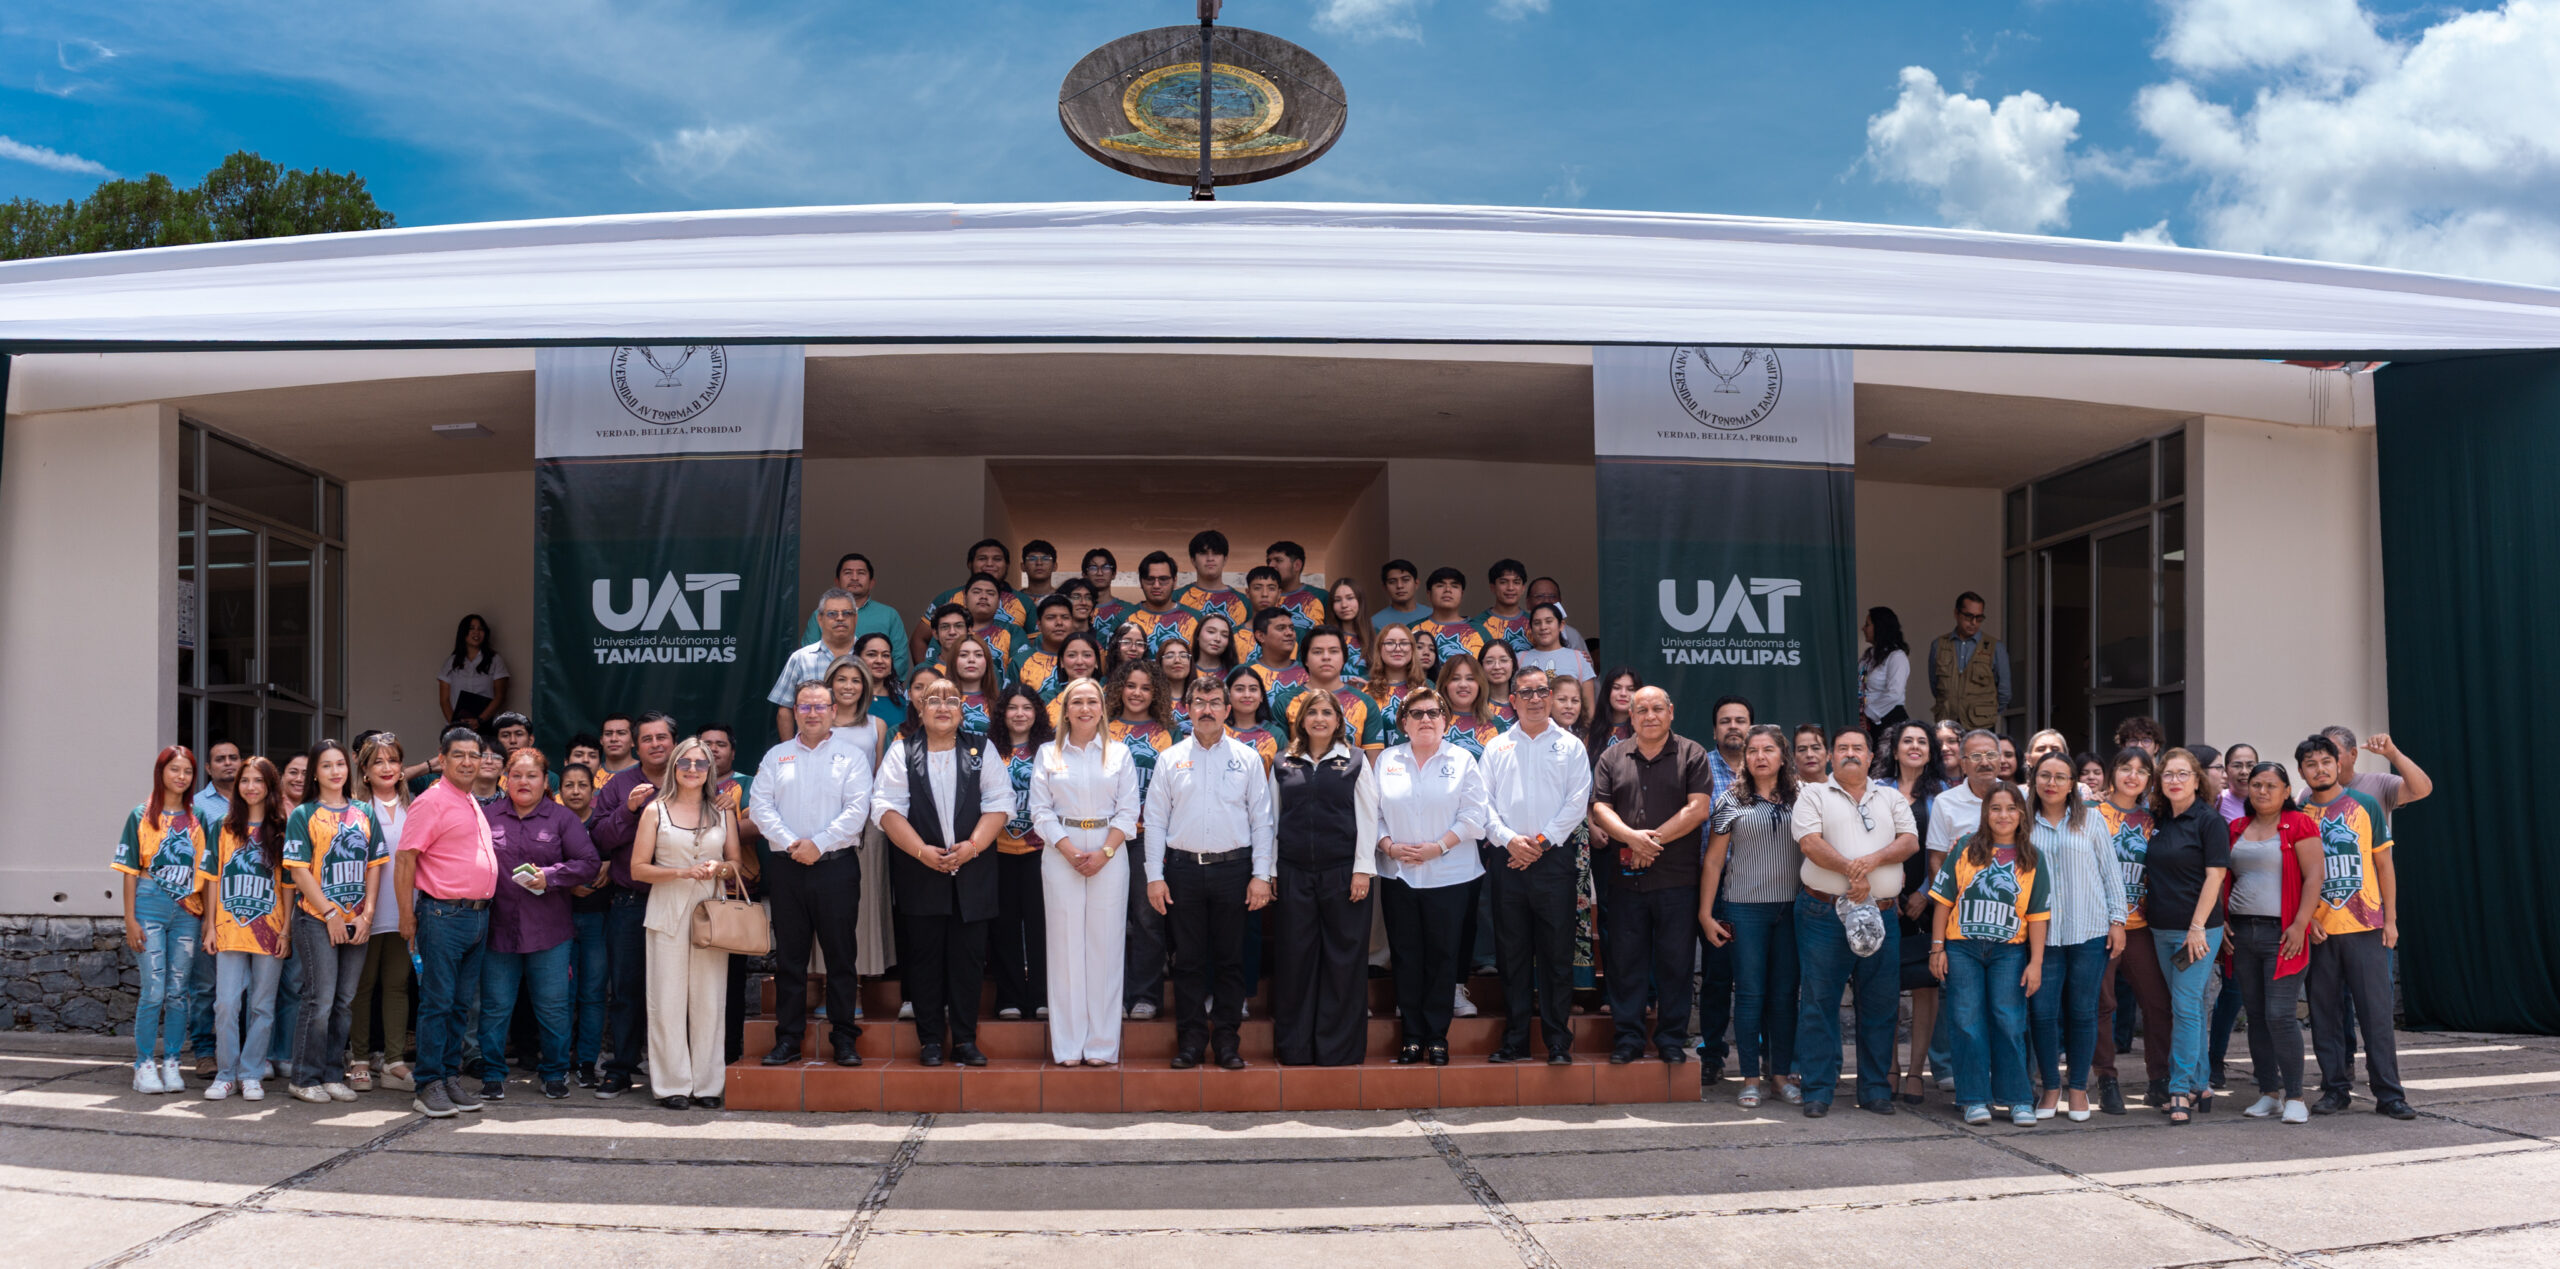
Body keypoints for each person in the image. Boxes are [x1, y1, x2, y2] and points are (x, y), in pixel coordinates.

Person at [1139, 675, 1276, 1070]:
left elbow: (1262, 822)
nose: (1207, 710)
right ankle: (1192, 1042)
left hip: (1234, 871)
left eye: (1215, 702)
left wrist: (1261, 875)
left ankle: (1229, 1044)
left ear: (1227, 710)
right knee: (1189, 962)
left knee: (1232, 960)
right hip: (1182, 871)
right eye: (1200, 702)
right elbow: (1156, 821)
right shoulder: (1171, 758)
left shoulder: (1247, 759)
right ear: (1188, 709)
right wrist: (1154, 876)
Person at [876, 678, 1012, 1067]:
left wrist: (971, 848)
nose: (941, 706)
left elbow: (1000, 802)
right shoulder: (903, 751)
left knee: (968, 960)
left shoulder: (980, 749)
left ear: (961, 708)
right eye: (932, 699)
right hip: (920, 871)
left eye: (950, 699)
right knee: (924, 959)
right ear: (919, 707)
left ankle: (966, 1041)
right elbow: (885, 808)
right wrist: (921, 852)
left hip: (974, 871)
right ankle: (931, 1040)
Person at [1790, 725, 1921, 1117]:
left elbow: (1910, 841)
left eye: (1857, 748)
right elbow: (1810, 843)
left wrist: (1869, 864)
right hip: (1823, 914)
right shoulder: (1813, 794)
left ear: (1870, 757)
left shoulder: (1891, 796)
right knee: (1818, 1003)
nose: (1850, 753)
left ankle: (1876, 1090)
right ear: (1831, 757)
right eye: (1842, 748)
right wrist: (1854, 872)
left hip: (1881, 913)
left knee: (1881, 1005)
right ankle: (1817, 1091)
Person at [748, 682, 874, 1068]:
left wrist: (818, 843)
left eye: (820, 706)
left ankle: (844, 1038)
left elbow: (857, 809)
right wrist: (792, 844)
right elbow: (760, 807)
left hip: (836, 867)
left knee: (840, 956)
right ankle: (788, 1039)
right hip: (787, 868)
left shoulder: (851, 756)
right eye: (805, 706)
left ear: (834, 711)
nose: (813, 713)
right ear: (796, 712)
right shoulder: (777, 756)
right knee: (790, 958)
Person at [1591, 687, 1716, 1065]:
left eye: (1657, 708)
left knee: (1676, 964)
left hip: (1677, 882)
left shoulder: (1692, 754)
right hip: (1626, 881)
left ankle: (1671, 1040)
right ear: (1631, 715)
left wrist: (1650, 843)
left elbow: (1698, 809)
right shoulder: (1612, 757)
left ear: (1671, 712)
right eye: (1641, 709)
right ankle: (1628, 1038)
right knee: (1626, 962)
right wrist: (1630, 838)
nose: (1649, 716)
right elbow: (1600, 807)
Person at [2295, 734, 2413, 1120]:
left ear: (2339, 763)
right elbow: (2294, 877)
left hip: (2366, 927)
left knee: (2376, 1015)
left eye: (2326, 761)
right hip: (2320, 932)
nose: (2320, 769)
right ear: (2302, 771)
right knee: (2324, 1015)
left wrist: (2391, 920)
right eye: (2311, 764)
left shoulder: (2365, 805)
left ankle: (2389, 1093)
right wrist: (2307, 919)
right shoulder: (2298, 813)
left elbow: (2385, 866)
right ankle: (2334, 1089)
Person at [1480, 666, 1591, 1066]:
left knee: (1555, 954)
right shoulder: (1496, 747)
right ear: (1512, 700)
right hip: (1507, 859)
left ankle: (1557, 1042)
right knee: (1511, 954)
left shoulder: (1571, 746)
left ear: (1549, 696)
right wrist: (1511, 840)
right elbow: (1483, 805)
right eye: (1525, 692)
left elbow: (1577, 803)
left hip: (1553, 860)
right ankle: (1515, 1041)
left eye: (1541, 691)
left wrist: (1539, 843)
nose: (1534, 699)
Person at [474, 747, 598, 1101]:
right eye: (516, 775)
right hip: (498, 930)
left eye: (532, 776)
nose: (523, 782)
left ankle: (555, 1072)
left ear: (546, 782)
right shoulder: (487, 817)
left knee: (553, 1006)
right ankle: (493, 1074)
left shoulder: (561, 819)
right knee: (496, 1006)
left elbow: (588, 862)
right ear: (505, 779)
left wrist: (550, 876)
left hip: (550, 932)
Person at [1374, 688, 1490, 1067]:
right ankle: (1411, 1036)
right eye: (1417, 713)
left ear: (1446, 720)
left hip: (1451, 875)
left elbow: (1475, 816)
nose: (1426, 719)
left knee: (1442, 957)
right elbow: (1371, 813)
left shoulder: (1462, 759)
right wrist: (1388, 845)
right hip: (1400, 875)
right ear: (1403, 722)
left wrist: (1438, 847)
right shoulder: (1387, 760)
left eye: (1433, 713)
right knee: (1406, 956)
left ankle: (1437, 1036)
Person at [1030, 679, 1141, 1066]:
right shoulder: (1048, 754)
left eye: (1091, 701)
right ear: (1065, 710)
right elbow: (1039, 811)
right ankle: (1067, 1046)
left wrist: (1104, 852)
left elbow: (1129, 812)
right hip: (1061, 851)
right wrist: (1070, 849)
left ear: (1102, 708)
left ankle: (1101, 1045)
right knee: (1064, 949)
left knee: (1105, 947)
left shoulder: (1119, 754)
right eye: (1076, 701)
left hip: (1110, 852)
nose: (1084, 708)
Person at [1269, 689, 1381, 1067]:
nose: (1319, 719)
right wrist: (1269, 871)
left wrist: (1363, 869)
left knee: (1343, 960)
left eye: (1326, 713)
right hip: (1293, 873)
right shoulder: (1283, 762)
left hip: (1343, 875)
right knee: (1295, 959)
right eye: (1312, 712)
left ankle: (1339, 1050)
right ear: (1301, 720)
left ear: (1338, 720)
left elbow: (1369, 817)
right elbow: (1272, 819)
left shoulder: (1355, 760)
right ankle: (1295, 1049)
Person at [1929, 781, 2049, 1127]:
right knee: (1966, 1021)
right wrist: (1937, 947)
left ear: (2022, 814)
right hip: (1962, 948)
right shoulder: (1966, 848)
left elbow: (2039, 916)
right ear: (1985, 813)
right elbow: (1943, 901)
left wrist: (2036, 962)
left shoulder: (2032, 857)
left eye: (2012, 808)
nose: (2004, 815)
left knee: (2009, 1022)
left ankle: (2017, 1098)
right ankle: (1973, 1098)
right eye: (1996, 808)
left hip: (2009, 952)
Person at [627, 736, 737, 1109]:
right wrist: (680, 872)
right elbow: (637, 869)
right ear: (674, 767)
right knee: (666, 1000)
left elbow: (736, 864)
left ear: (711, 770)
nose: (693, 769)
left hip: (711, 911)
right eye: (685, 762)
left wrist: (718, 867)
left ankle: (707, 1085)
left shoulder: (724, 810)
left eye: (701, 763)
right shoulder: (654, 811)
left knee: (709, 1001)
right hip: (667, 909)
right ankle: (672, 1085)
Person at [396, 727, 500, 1117]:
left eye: (475, 755)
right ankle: (427, 1085)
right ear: (442, 758)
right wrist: (407, 916)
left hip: (475, 916)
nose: (469, 762)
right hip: (442, 915)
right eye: (459, 755)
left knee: (459, 1006)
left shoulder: (469, 800)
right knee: (437, 1004)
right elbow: (406, 859)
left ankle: (448, 1077)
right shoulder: (432, 800)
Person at [1701, 725, 1803, 1107]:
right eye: (1753, 750)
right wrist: (1705, 913)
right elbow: (1713, 862)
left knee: (1784, 996)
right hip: (1744, 909)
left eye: (1768, 749)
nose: (1760, 756)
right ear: (1744, 758)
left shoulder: (1804, 798)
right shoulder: (1731, 800)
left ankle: (1780, 1076)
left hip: (1793, 910)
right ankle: (1749, 1079)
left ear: (1782, 755)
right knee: (1748, 995)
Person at [281, 742, 385, 1104]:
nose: (336, 771)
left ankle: (330, 1075)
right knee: (319, 1001)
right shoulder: (303, 814)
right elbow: (297, 870)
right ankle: (304, 1077)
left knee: (345, 1001)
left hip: (357, 919)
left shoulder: (363, 812)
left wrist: (367, 914)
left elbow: (375, 867)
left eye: (341, 764)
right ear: (315, 772)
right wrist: (329, 914)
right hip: (315, 919)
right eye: (327, 766)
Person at [2025, 752, 2126, 1122]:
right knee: (2042, 1012)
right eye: (2045, 776)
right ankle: (2051, 1086)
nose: (2051, 783)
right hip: (2042, 934)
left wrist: (2118, 921)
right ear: (2034, 779)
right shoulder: (2023, 822)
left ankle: (2079, 1088)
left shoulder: (2092, 819)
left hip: (2089, 929)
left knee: (2084, 1012)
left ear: (2073, 785)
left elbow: (2110, 873)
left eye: (2060, 777)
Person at [586, 711, 678, 1099]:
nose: (656, 744)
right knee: (625, 990)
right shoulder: (620, 785)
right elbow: (600, 840)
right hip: (630, 902)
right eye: (648, 739)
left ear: (674, 741)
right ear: (636, 746)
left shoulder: (689, 779)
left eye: (663, 737)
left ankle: (672, 1073)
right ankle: (621, 1069)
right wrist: (627, 810)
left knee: (675, 990)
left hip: (678, 899)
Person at [2226, 760, 2322, 1124]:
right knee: (2255, 1016)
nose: (2262, 791)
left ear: (2286, 792)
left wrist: (2300, 924)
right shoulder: (2236, 827)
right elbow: (2223, 879)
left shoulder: (2299, 823)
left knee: (2280, 1015)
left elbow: (2314, 876)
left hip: (2282, 932)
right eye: (2256, 785)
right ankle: (2269, 1093)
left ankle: (2295, 1096)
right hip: (2241, 932)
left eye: (2271, 785)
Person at [196, 756, 291, 1102]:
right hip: (229, 928)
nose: (251, 787)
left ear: (270, 786)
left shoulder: (283, 828)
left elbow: (288, 885)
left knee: (263, 1007)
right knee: (225, 1004)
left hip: (270, 928)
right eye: (245, 781)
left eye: (258, 780)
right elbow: (212, 879)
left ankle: (251, 1073)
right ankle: (226, 1074)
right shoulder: (223, 826)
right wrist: (209, 925)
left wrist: (286, 931)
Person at [2142, 748, 2229, 1124]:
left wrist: (2197, 928)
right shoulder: (2160, 819)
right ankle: (2202, 1083)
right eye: (2168, 775)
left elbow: (2216, 876)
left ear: (2197, 780)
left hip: (2198, 930)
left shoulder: (2209, 821)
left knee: (2185, 1004)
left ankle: (2179, 1090)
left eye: (2182, 774)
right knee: (2188, 1006)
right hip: (2161, 928)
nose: (2175, 780)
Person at [115, 746, 205, 1095]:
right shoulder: (140, 815)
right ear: (161, 772)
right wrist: (129, 919)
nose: (180, 777)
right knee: (153, 990)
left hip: (187, 910)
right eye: (174, 770)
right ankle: (143, 1064)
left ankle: (171, 1061)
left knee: (178, 991)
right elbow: (128, 871)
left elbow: (206, 871)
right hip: (149, 903)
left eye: (187, 772)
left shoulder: (197, 819)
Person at [2095, 746, 2174, 1114]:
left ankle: (2159, 1080)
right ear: (2112, 772)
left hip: (2141, 924)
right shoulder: (2091, 813)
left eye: (2142, 771)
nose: (2133, 776)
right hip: (2098, 925)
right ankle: (2106, 1080)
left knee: (2158, 1002)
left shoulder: (2155, 818)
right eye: (2125, 768)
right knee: (2102, 1003)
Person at [1877, 719, 1948, 1103]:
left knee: (1924, 987)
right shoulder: (1877, 790)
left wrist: (1924, 892)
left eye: (1922, 741)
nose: (1915, 746)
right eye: (1908, 741)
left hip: (1927, 901)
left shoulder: (1942, 794)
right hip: (1884, 900)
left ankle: (1917, 1072)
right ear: (1896, 748)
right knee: (1884, 985)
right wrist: (1890, 892)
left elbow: (1943, 853)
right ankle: (1890, 1068)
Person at [1110, 660, 1182, 1020]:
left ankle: (1145, 995)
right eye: (1131, 686)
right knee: (1108, 920)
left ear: (1157, 693)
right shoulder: (1101, 728)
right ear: (1119, 688)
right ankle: (1112, 996)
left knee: (1147, 918)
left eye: (1146, 688)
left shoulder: (1170, 732)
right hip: (1106, 836)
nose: (1137, 693)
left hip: (1146, 837)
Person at [347, 734, 413, 1093]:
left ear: (402, 768)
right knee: (362, 985)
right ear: (365, 771)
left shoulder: (415, 805)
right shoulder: (355, 809)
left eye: (393, 761)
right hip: (365, 911)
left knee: (398, 985)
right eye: (378, 762)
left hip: (404, 909)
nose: (387, 768)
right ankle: (358, 1058)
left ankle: (394, 1060)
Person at [989, 683, 1053, 1023]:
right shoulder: (988, 750)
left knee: (1042, 926)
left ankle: (1043, 995)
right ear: (1002, 713)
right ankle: (1009, 996)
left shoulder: (1051, 750)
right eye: (1012, 708)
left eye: (1026, 708)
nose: (1019, 714)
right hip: (998, 850)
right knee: (1005, 927)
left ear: (1036, 713)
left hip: (1041, 851)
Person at [558, 761, 610, 1086]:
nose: (575, 791)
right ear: (559, 791)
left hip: (598, 919)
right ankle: (559, 1061)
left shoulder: (603, 825)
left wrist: (612, 864)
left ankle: (588, 1062)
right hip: (559, 920)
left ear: (593, 791)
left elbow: (626, 856)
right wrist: (567, 884)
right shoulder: (551, 822)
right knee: (560, 995)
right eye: (569, 785)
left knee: (592, 994)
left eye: (582, 785)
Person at [1273, 627, 1390, 754]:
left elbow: (1372, 764)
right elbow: (1281, 762)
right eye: (1317, 652)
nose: (1326, 657)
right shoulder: (1285, 702)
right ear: (1305, 659)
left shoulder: (1366, 703)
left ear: (1344, 658)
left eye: (1334, 651)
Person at [800, 552, 911, 682]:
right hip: (828, 691)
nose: (854, 578)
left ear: (871, 582)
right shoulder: (822, 614)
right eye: (848, 573)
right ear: (837, 581)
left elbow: (900, 659)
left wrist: (876, 687)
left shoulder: (889, 615)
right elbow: (809, 657)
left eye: (861, 573)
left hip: (878, 692)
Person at [773, 588, 867, 740]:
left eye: (847, 613)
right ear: (820, 619)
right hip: (810, 748)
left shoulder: (867, 657)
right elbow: (785, 710)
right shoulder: (801, 658)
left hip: (860, 744)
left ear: (855, 618)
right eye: (832, 614)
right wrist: (791, 751)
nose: (840, 618)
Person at [1926, 591, 2008, 730]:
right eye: (1968, 616)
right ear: (1956, 614)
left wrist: (1986, 712)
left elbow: (2004, 691)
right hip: (1947, 722)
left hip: (1981, 725)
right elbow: (1935, 685)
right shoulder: (1939, 645)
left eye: (1979, 617)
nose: (1973, 622)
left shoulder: (1995, 647)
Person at [2320, 725, 2434, 818]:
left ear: (2353, 754)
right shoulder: (2309, 794)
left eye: (2333, 752)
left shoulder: (2379, 783)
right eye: (2322, 754)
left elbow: (2422, 789)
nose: (2327, 759)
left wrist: (2392, 753)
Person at [1108, 551, 1203, 655]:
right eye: (1150, 579)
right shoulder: (1124, 619)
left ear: (1175, 581)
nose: (1156, 585)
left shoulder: (1195, 618)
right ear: (1141, 582)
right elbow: (1113, 661)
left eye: (1163, 579)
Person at [438, 613, 509, 727]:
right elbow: (444, 700)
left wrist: (480, 720)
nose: (476, 632)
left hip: (485, 725)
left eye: (481, 629)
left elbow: (499, 696)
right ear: (463, 632)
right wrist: (455, 724)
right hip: (457, 727)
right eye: (471, 628)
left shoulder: (495, 660)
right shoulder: (451, 662)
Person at [1411, 567, 1490, 663]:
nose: (1447, 590)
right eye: (1440, 585)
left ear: (1462, 594)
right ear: (1429, 594)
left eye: (1454, 586)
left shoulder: (1480, 631)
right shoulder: (1413, 629)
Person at [1437, 653, 1508, 757]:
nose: (1463, 685)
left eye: (1470, 679)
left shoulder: (1496, 725)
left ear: (1480, 684)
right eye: (1455, 678)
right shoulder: (1431, 721)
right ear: (1445, 684)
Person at [1011, 595, 1079, 700]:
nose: (1059, 623)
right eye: (1051, 618)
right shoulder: (1020, 661)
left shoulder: (1085, 659)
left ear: (1073, 623)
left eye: (1065, 617)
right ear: (1039, 625)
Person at [1175, 529, 1247, 625]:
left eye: (1216, 553)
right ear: (1193, 560)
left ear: (1225, 559)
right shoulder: (1175, 598)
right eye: (1203, 553)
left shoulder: (1245, 602)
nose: (1210, 559)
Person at [1859, 607, 1911, 733]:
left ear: (1879, 627)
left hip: (1890, 722)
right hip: (1866, 722)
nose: (1863, 628)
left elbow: (1894, 693)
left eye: (1867, 625)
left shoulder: (1897, 656)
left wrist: (1868, 714)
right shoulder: (1868, 656)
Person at [1519, 603, 1595, 686]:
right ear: (1531, 628)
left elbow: (1588, 698)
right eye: (1537, 623)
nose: (1543, 627)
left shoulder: (1580, 659)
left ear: (1561, 625)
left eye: (1549, 621)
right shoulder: (1520, 659)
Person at [1265, 540, 1329, 630]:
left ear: (1297, 565)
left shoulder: (1322, 596)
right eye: (1269, 561)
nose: (1271, 565)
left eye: (1278, 560)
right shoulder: (1264, 598)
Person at [1475, 558, 1535, 653]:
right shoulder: (1477, 624)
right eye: (1503, 582)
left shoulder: (1534, 623)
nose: (1510, 588)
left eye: (1516, 582)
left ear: (1523, 588)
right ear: (1493, 587)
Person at [1525, 577, 1594, 655]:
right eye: (1540, 596)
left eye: (1552, 596)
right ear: (1528, 602)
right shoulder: (1517, 630)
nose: (1547, 601)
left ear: (1560, 601)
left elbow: (1585, 664)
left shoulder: (1571, 634)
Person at [1326, 579, 1375, 680]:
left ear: (1360, 601)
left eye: (1350, 598)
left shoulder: (1376, 635)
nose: (1344, 605)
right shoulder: (1323, 636)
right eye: (1337, 600)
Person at [1589, 670, 1639, 751]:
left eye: (1630, 689)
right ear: (1607, 691)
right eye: (1616, 688)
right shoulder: (1591, 728)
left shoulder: (1643, 729)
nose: (1623, 693)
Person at [1081, 548, 1130, 631]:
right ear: (1084, 574)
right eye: (1093, 568)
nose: (1099, 573)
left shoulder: (1127, 609)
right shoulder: (1076, 608)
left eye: (1106, 567)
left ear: (1114, 574)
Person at [1373, 559, 1427, 629]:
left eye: (1405, 580)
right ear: (1385, 588)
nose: (1399, 586)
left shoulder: (1432, 616)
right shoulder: (1375, 623)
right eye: (1392, 582)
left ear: (1416, 584)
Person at [1479, 640, 1521, 725]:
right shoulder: (1474, 704)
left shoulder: (1524, 701)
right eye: (1489, 661)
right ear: (1481, 666)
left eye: (1504, 660)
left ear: (1513, 664)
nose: (1497, 667)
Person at [1193, 611, 1243, 679]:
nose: (1217, 639)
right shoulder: (1185, 671)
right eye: (1211, 632)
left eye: (1224, 635)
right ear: (1197, 635)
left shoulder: (1235, 675)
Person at [2217, 743, 2260, 821]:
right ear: (2226, 769)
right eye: (2237, 766)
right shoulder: (2216, 801)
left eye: (2250, 766)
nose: (2244, 771)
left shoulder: (2268, 801)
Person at [1791, 723, 1830, 788]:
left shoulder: (1840, 788)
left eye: (1816, 748)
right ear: (1794, 757)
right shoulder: (1784, 790)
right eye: (1802, 749)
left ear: (1828, 754)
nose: (1809, 754)